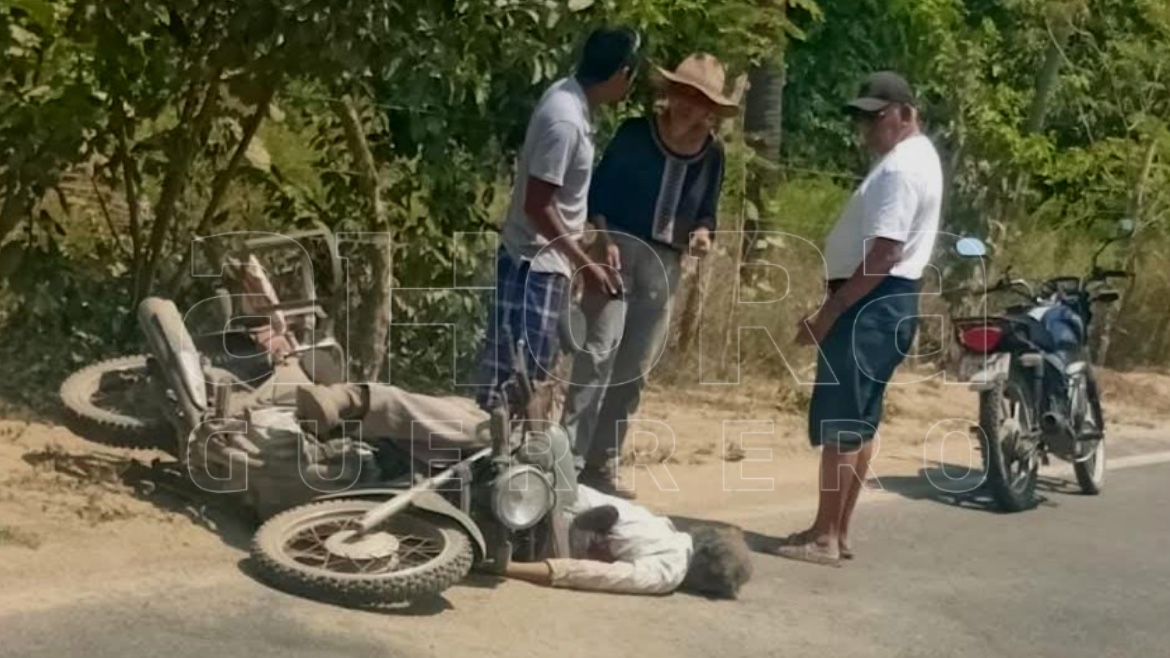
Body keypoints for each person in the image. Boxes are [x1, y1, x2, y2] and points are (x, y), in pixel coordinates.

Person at [774, 71, 942, 566]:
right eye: (862, 119)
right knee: (860, 421)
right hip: (887, 302)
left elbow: (885, 252)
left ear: (906, 113)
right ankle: (836, 530)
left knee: (842, 421)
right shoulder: (916, 158)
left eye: (877, 117)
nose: (866, 128)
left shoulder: (900, 169)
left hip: (871, 303)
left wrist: (829, 312)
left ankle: (824, 536)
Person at [560, 53, 740, 497]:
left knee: (634, 368)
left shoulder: (712, 155)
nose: (688, 105)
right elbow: (597, 194)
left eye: (699, 100)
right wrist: (602, 240)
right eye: (683, 94)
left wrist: (702, 234)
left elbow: (707, 213)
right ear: (670, 94)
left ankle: (602, 465)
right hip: (615, 252)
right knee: (596, 355)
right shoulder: (635, 134)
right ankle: (566, 461)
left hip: (664, 264)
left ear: (711, 110)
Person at [475, 27, 640, 413]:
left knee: (525, 377)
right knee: (519, 382)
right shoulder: (565, 121)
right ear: (622, 74)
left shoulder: (569, 99)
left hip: (543, 263)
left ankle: (507, 444)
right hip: (534, 267)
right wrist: (584, 263)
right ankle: (500, 448)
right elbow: (538, 205)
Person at [503, 483, 753, 598]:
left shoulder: (663, 526)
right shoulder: (669, 572)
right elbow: (590, 574)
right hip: (542, 530)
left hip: (545, 490)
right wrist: (508, 568)